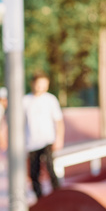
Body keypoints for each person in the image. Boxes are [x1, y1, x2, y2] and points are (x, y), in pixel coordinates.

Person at [22, 72, 64, 201]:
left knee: (51, 168)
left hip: (47, 140)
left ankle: (58, 195)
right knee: (34, 172)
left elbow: (59, 121)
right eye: (39, 85)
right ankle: (39, 198)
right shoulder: (25, 100)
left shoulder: (50, 99)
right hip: (31, 142)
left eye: (44, 85)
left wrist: (59, 138)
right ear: (33, 84)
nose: (41, 88)